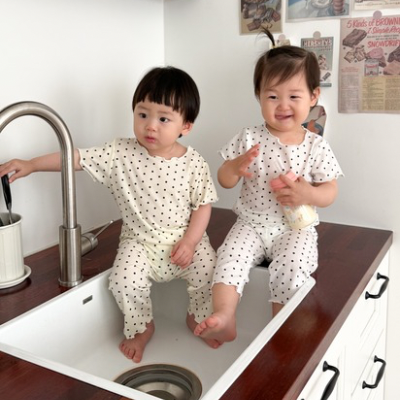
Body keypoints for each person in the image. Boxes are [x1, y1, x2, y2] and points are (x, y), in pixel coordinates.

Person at [0, 66, 219, 362]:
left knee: (208, 269)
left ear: (186, 126)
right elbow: (75, 158)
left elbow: (203, 205)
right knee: (123, 281)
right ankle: (142, 327)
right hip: (139, 242)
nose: (150, 126)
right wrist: (31, 164)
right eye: (143, 114)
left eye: (163, 119)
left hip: (185, 241)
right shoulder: (119, 153)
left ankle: (198, 316)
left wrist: (191, 242)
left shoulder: (194, 163)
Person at [194, 30, 343, 345]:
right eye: (272, 96)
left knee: (293, 266)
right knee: (228, 258)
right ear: (259, 96)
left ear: (313, 96)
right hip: (251, 222)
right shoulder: (249, 137)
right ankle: (225, 316)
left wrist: (308, 194)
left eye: (294, 96)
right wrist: (234, 167)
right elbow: (223, 179)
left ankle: (281, 325)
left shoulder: (316, 146)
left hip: (295, 227)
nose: (282, 105)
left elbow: (330, 191)